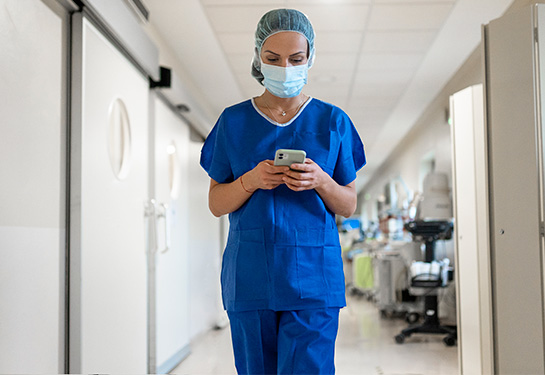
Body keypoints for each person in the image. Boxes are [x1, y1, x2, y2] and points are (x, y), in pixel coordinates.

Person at [200, 8, 366, 375]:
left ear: (310, 58)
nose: (285, 68)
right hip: (250, 278)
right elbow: (216, 202)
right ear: (258, 57)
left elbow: (349, 204)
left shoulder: (333, 121)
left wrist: (321, 180)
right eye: (273, 59)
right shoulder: (233, 121)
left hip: (313, 279)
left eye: (296, 59)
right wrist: (250, 181)